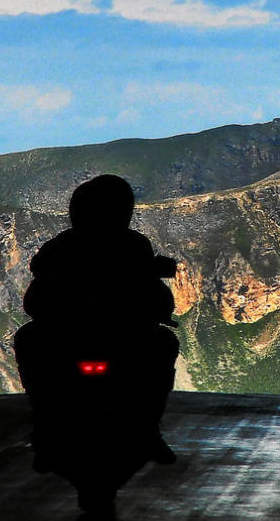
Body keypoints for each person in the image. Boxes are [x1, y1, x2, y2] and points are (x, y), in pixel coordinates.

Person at [14, 174, 180, 468]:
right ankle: (148, 431)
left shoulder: (61, 246)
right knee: (166, 345)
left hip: (70, 338)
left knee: (27, 341)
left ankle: (46, 430)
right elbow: (155, 296)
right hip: (120, 338)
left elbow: (33, 301)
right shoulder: (133, 246)